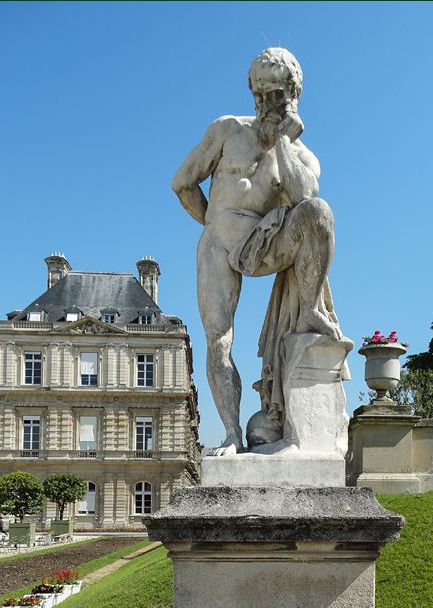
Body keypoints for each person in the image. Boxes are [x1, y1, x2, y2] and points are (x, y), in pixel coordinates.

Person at [171, 48, 347, 456]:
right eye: (261, 95)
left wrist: (283, 141)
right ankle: (232, 433)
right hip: (219, 244)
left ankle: (310, 309)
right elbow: (182, 182)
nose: (267, 105)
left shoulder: (300, 155)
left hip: (270, 244)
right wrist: (215, 225)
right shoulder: (226, 131)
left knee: (320, 212)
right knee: (219, 342)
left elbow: (305, 200)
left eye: (278, 97)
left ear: (294, 96)